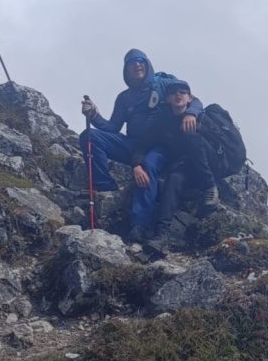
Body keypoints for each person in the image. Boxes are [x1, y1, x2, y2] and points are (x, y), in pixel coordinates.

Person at [79, 49, 202, 233]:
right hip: (133, 144)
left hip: (161, 146)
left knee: (147, 165)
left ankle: (140, 224)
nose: (137, 65)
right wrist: (94, 115)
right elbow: (113, 127)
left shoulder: (163, 84)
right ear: (126, 70)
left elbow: (193, 98)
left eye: (140, 61)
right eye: (131, 62)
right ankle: (106, 188)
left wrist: (191, 113)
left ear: (147, 64)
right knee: (90, 137)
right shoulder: (124, 98)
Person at [132, 79, 220, 241]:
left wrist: (192, 116)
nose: (178, 95)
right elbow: (143, 145)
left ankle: (210, 187)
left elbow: (210, 146)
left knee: (191, 137)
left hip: (209, 164)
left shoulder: (200, 117)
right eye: (173, 93)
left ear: (190, 98)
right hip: (186, 168)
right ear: (168, 99)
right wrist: (137, 165)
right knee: (173, 179)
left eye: (182, 92)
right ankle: (162, 234)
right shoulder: (162, 124)